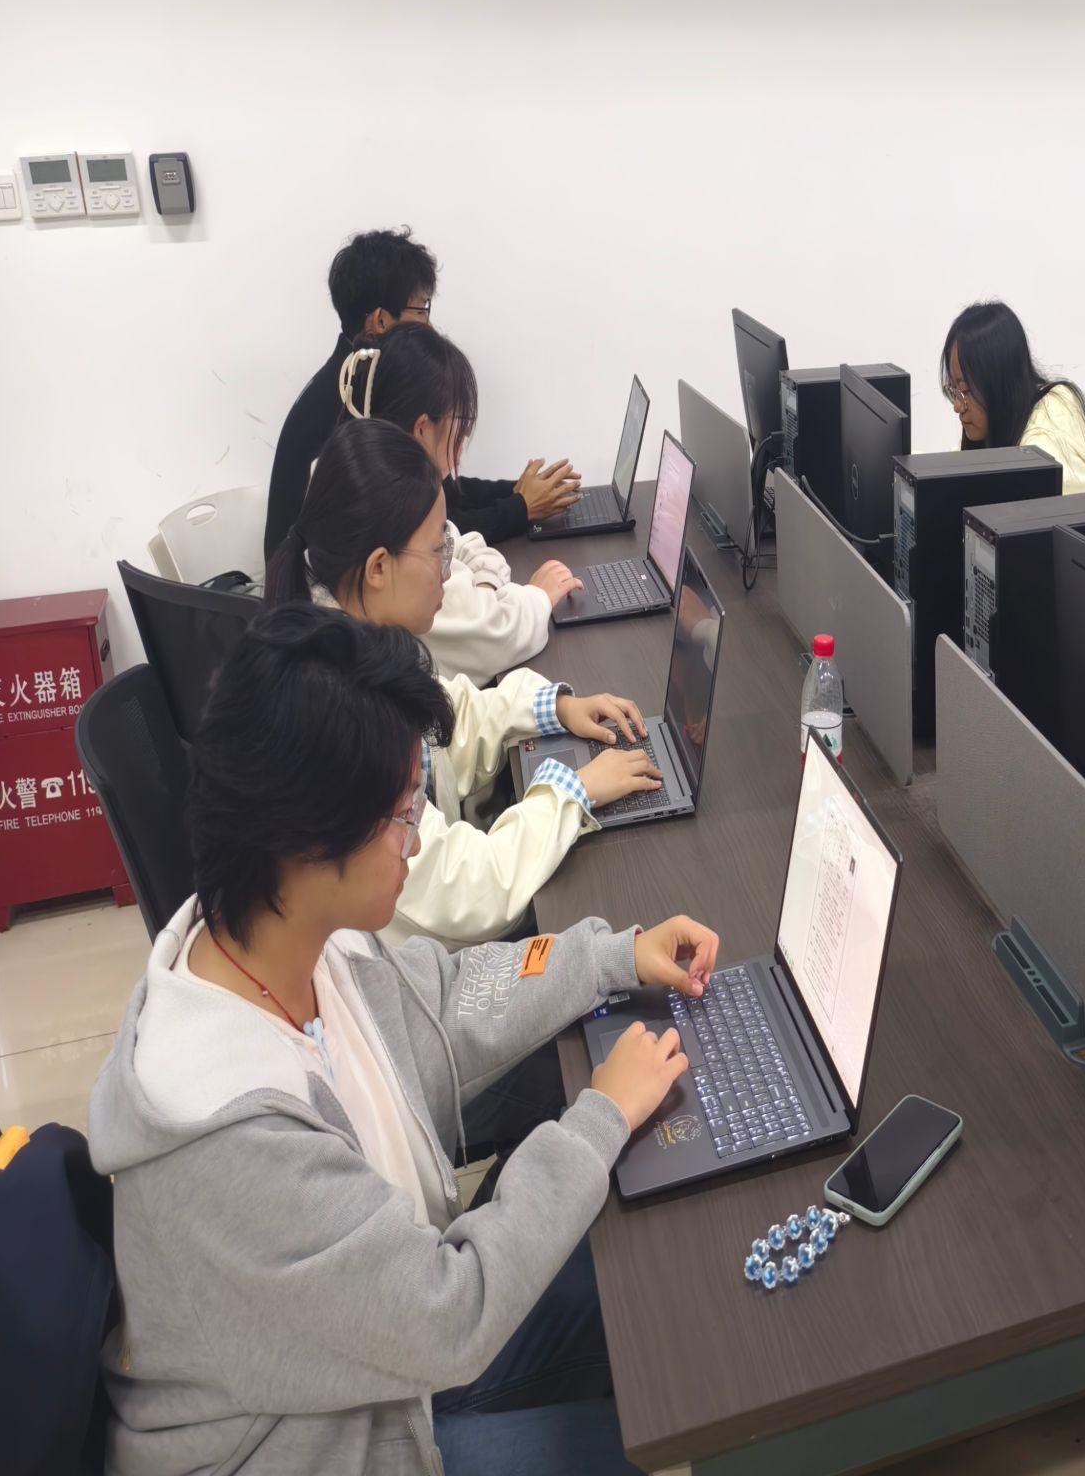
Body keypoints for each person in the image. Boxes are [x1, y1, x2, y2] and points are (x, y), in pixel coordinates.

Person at [90, 601, 715, 1476]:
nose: (416, 842)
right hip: (320, 1447)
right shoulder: (229, 1137)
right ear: (301, 842)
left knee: (655, 1305)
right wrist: (598, 1117)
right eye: (400, 817)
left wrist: (608, 957)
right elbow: (450, 1312)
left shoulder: (290, 939)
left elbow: (444, 1004)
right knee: (657, 1436)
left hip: (377, 1358)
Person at [268, 418, 665, 950]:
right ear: (379, 567)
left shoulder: (356, 643)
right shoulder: (341, 720)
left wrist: (553, 706)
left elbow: (450, 719)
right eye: (438, 551)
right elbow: (474, 893)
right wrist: (575, 792)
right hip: (421, 968)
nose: (449, 570)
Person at [263, 228, 579, 561]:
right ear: (380, 321)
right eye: (422, 310)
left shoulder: (356, 376)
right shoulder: (354, 402)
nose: (428, 325)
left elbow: (433, 490)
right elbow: (422, 528)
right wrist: (520, 507)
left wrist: (517, 491)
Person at [337, 322, 579, 682]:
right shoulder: (392, 528)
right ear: (422, 429)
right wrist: (538, 597)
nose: (461, 449)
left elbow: (464, 542)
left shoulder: (362, 478)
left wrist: (481, 594)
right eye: (460, 429)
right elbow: (496, 635)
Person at [941, 301, 1085, 493]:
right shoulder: (1008, 422)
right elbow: (953, 464)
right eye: (954, 390)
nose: (958, 406)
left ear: (1000, 384)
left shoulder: (1041, 456)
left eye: (965, 391)